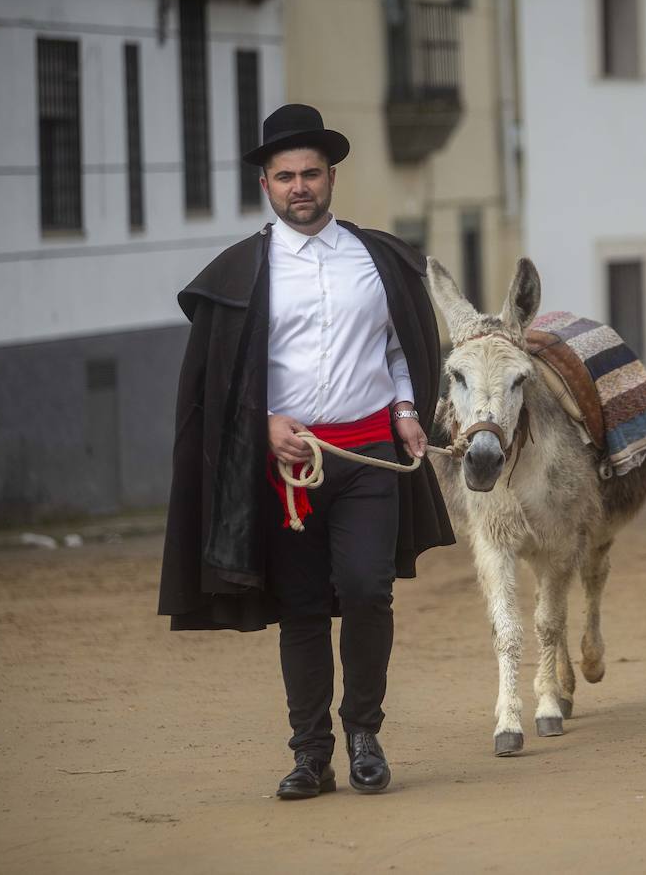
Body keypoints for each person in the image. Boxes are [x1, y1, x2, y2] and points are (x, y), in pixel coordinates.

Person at [157, 104, 455, 800]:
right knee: (300, 608)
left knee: (366, 589)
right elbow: (222, 380)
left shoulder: (376, 261)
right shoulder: (243, 273)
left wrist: (408, 409)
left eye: (311, 174)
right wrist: (262, 423)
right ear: (265, 184)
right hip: (285, 469)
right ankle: (310, 755)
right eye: (285, 175)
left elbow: (400, 347)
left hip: (366, 457)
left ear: (331, 178)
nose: (300, 187)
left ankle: (363, 734)